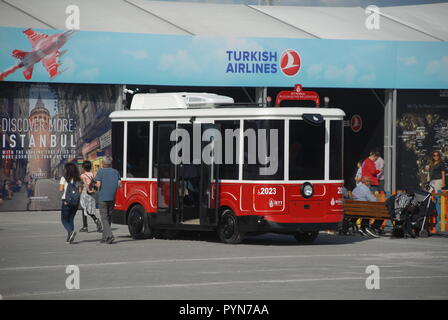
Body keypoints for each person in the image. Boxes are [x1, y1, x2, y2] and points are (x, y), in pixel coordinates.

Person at [95, 156, 121, 244]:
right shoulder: (116, 172)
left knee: (104, 217)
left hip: (103, 197)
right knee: (109, 217)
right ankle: (105, 237)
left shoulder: (100, 172)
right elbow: (119, 185)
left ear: (103, 163)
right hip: (112, 197)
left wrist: (94, 188)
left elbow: (98, 185)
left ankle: (109, 235)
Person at [59, 163, 82, 244]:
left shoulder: (64, 178)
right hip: (75, 202)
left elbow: (61, 189)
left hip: (66, 200)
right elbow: (80, 191)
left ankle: (70, 231)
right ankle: (69, 238)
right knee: (71, 219)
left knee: (64, 219)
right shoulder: (78, 179)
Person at [79, 160, 102, 233]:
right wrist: (93, 190)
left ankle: (86, 225)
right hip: (92, 194)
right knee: (88, 209)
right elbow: (96, 183)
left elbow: (85, 184)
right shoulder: (93, 174)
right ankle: (93, 222)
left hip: (86, 193)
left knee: (84, 208)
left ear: (83, 167)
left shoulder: (82, 175)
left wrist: (88, 190)